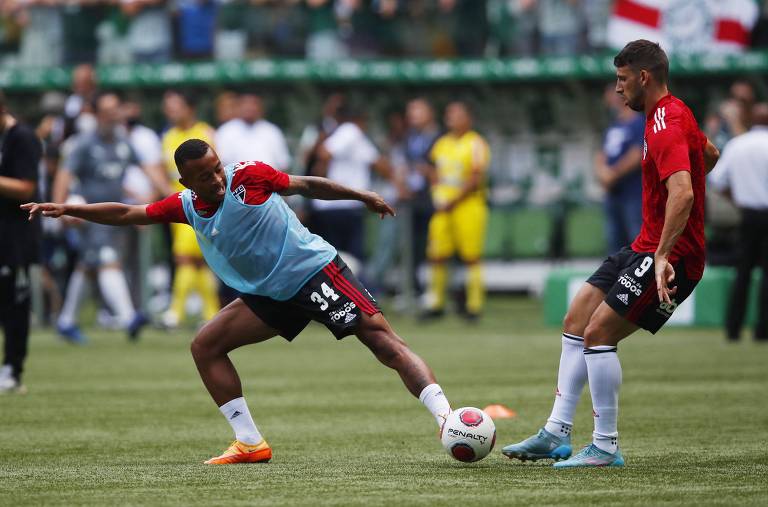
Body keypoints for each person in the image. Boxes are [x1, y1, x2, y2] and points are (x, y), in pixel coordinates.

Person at [22, 138, 453, 464]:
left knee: (380, 340)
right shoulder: (186, 206)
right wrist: (70, 209)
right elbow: (128, 213)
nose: (216, 178)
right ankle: (250, 442)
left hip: (312, 271)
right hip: (270, 292)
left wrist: (360, 196)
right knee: (204, 346)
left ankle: (446, 418)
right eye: (205, 175)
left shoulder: (248, 177)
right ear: (185, 182)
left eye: (216, 168)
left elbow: (305, 185)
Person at [502, 40, 721, 468]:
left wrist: (664, 254)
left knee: (598, 335)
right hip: (644, 243)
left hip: (670, 256)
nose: (617, 89)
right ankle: (556, 433)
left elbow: (684, 191)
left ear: (643, 77)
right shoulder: (674, 113)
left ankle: (604, 446)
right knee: (577, 316)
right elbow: (708, 155)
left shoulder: (666, 123)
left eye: (622, 80)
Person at [53, 92, 164, 343]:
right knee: (108, 261)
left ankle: (66, 321)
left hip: (115, 214)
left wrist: (170, 194)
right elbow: (64, 175)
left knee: (87, 266)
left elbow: (147, 169)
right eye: (108, 110)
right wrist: (58, 208)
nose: (113, 114)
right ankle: (128, 318)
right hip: (88, 215)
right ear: (97, 114)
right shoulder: (83, 143)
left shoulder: (123, 142)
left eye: (116, 109)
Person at [422, 101, 490, 321]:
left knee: (471, 257)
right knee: (437, 256)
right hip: (443, 207)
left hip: (468, 206)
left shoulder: (476, 143)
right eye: (449, 114)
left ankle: (474, 306)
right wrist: (435, 189)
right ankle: (436, 304)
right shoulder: (441, 143)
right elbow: (432, 169)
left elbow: (475, 177)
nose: (451, 118)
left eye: (457, 115)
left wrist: (454, 199)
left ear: (468, 118)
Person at [708, 103, 768, 342]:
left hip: (747, 214)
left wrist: (737, 199)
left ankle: (733, 330)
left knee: (742, 273)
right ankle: (763, 331)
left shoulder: (737, 145)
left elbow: (717, 181)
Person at [160, 90, 219, 327]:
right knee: (197, 261)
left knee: (185, 258)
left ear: (190, 108)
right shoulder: (167, 136)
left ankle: (175, 313)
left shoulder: (205, 133)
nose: (170, 111)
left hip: (199, 204)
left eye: (175, 106)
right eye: (168, 106)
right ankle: (212, 314)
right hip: (177, 205)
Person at [310, 104, 393, 267]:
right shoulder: (350, 131)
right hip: (340, 205)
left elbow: (375, 161)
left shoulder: (354, 139)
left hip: (338, 205)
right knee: (345, 257)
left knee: (341, 257)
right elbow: (325, 152)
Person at [0, 91, 42, 394]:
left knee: (14, 304)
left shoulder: (22, 138)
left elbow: (26, 187)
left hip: (15, 235)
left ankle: (12, 369)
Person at [594, 83, 645, 254]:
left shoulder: (639, 122)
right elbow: (601, 154)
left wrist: (613, 174)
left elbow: (637, 154)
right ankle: (616, 279)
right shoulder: (613, 126)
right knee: (614, 243)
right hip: (613, 194)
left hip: (634, 194)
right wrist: (602, 173)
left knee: (636, 240)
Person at [214, 92, 291, 170]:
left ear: (261, 108)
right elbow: (221, 162)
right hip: (237, 180)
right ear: (238, 107)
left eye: (254, 104)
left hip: (270, 179)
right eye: (245, 104)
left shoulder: (272, 131)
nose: (249, 108)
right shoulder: (226, 131)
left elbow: (283, 163)